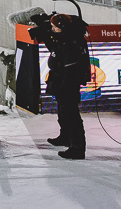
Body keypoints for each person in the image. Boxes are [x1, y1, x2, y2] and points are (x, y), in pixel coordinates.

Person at [29, 12, 91, 160]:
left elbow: (70, 68)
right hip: (61, 81)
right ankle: (65, 137)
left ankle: (77, 148)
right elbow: (55, 48)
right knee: (64, 112)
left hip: (68, 83)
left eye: (53, 26)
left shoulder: (71, 43)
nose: (52, 29)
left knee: (71, 114)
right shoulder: (65, 38)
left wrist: (64, 86)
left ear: (62, 27)